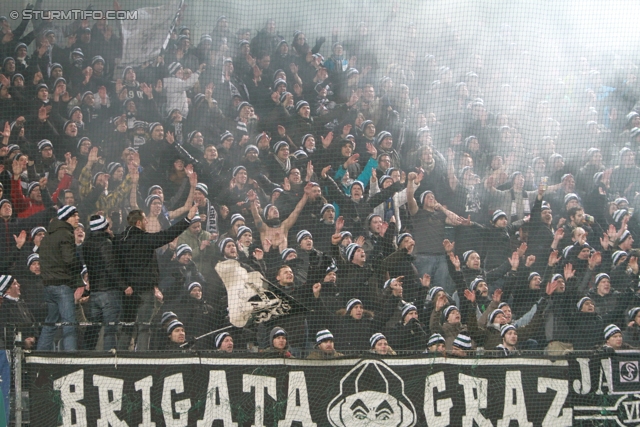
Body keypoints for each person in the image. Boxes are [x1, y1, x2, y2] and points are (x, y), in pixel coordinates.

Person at [115, 204, 199, 351]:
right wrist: (188, 219)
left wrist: (123, 286)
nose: (147, 222)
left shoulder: (118, 240)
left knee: (127, 327)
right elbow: (168, 235)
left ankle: (119, 357)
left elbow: (114, 266)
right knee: (144, 326)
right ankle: (141, 359)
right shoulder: (145, 239)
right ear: (139, 223)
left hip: (126, 292)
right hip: (145, 291)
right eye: (145, 219)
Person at [37, 205, 83, 351]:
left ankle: (40, 356)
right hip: (62, 286)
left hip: (48, 286)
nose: (78, 218)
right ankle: (71, 359)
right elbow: (69, 259)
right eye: (74, 215)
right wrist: (80, 265)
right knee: (69, 323)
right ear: (66, 218)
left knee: (50, 322)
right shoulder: (65, 234)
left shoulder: (47, 236)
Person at [81, 215, 125, 351]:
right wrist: (124, 286)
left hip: (94, 292)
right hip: (109, 292)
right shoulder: (106, 244)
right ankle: (109, 360)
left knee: (93, 328)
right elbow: (110, 267)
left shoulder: (86, 245)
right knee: (110, 329)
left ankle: (86, 355)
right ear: (104, 227)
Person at [0, 275, 38, 349]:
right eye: (15, 284)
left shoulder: (22, 303)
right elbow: (4, 330)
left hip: (29, 346)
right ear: (8, 290)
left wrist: (33, 337)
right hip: (12, 349)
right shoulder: (4, 306)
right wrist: (22, 342)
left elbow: (34, 322)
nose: (19, 285)